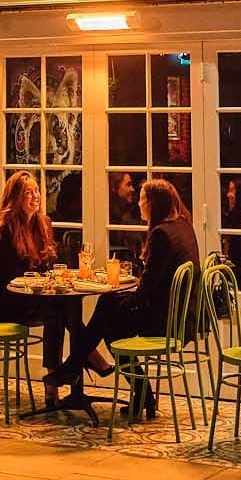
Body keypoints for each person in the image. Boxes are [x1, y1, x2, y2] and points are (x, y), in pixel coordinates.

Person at [56, 177, 200, 416]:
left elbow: (146, 292)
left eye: (143, 199)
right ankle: (80, 364)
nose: (139, 204)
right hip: (182, 316)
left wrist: (121, 296)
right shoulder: (183, 226)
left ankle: (77, 364)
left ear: (154, 204)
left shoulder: (161, 235)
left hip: (165, 321)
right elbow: (153, 285)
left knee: (109, 316)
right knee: (108, 308)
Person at [0, 170, 80, 397]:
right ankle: (74, 365)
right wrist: (41, 280)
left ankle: (59, 375)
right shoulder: (6, 227)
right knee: (57, 309)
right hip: (5, 301)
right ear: (15, 198)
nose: (35, 197)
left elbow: (46, 262)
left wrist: (52, 277)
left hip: (31, 297)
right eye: (28, 193)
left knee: (67, 306)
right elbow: (10, 274)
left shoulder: (42, 223)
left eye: (36, 191)